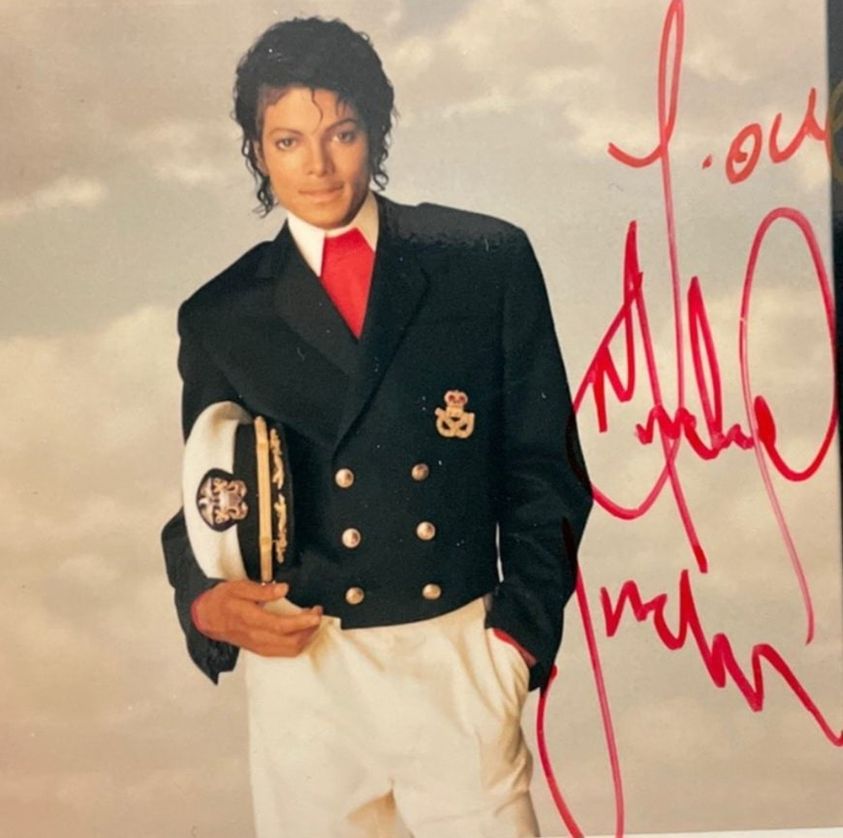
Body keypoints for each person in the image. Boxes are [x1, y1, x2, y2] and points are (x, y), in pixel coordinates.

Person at [162, 16, 593, 838]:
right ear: (256, 150)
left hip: (458, 657)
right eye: (287, 141)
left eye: (342, 133)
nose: (317, 166)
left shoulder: (482, 258)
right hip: (307, 678)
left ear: (376, 130)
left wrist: (514, 644)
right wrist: (203, 604)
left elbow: (545, 470)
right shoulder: (221, 314)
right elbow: (204, 498)